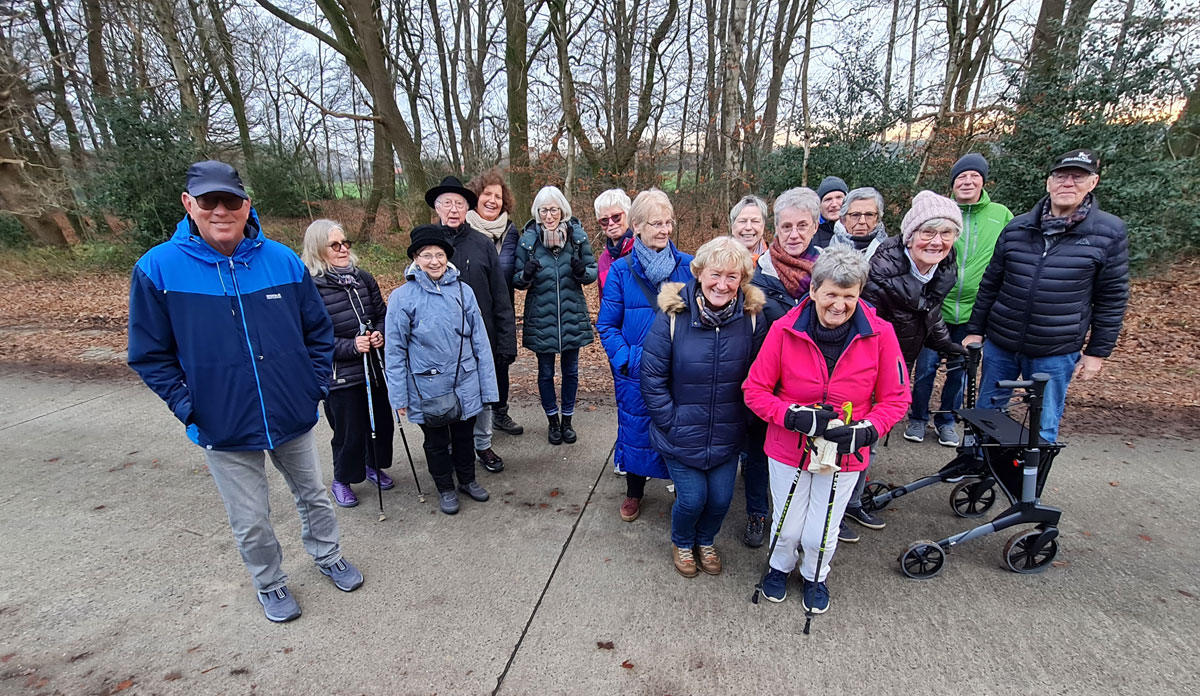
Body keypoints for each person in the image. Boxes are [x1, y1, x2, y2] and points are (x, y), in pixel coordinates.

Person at [128, 161, 362, 624]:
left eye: (230, 200)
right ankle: (270, 582)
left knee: (314, 495)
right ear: (189, 204)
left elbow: (318, 331)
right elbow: (149, 354)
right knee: (251, 518)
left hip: (291, 410)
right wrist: (189, 406)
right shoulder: (158, 268)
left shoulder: (281, 261)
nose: (220, 210)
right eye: (208, 200)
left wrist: (313, 386)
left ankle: (328, 555)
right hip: (222, 422)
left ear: (246, 205)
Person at [743, 246, 909, 612]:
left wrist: (868, 430)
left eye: (849, 296)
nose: (839, 304)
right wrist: (790, 415)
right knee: (788, 525)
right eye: (831, 294)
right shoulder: (784, 329)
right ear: (814, 290)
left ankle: (815, 574)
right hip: (789, 445)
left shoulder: (880, 334)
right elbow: (754, 390)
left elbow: (896, 398)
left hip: (845, 451)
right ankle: (778, 566)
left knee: (822, 528)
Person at [965, 149, 1130, 443]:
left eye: (1077, 177)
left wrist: (1096, 352)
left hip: (1056, 349)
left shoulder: (1108, 232)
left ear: (1093, 182)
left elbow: (1111, 298)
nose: (1068, 183)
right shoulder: (1017, 227)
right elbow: (991, 283)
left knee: (1043, 424)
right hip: (1002, 342)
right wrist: (975, 329)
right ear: (1049, 183)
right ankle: (981, 465)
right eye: (1061, 176)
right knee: (987, 414)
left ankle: (1032, 472)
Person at [843, 191, 966, 540]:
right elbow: (863, 325)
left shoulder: (942, 266)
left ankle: (853, 500)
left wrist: (948, 345)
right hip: (865, 365)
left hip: (900, 361)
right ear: (910, 235)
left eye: (946, 233)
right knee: (856, 436)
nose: (937, 241)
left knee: (872, 439)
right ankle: (836, 509)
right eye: (928, 232)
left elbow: (929, 312)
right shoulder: (881, 270)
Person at [641, 237, 767, 577]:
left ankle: (705, 540)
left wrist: (745, 420)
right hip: (680, 432)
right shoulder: (673, 316)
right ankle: (683, 542)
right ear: (699, 273)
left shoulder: (753, 320)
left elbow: (761, 377)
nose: (722, 285)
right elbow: (651, 378)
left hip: (728, 432)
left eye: (732, 276)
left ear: (742, 279)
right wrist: (671, 421)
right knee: (692, 499)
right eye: (715, 274)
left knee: (721, 499)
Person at [384, 224, 499, 515]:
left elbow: (480, 341)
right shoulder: (402, 298)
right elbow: (395, 351)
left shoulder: (464, 291)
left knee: (464, 436)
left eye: (439, 254)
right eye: (426, 255)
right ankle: (445, 487)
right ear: (415, 258)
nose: (434, 261)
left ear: (447, 257)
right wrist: (398, 396)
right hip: (427, 387)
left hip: (466, 381)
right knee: (436, 442)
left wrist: (488, 387)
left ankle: (467, 480)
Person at [597, 189, 694, 523]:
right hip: (636, 370)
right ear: (636, 226)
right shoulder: (620, 271)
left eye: (668, 222)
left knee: (677, 431)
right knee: (635, 430)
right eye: (656, 223)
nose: (665, 230)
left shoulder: (689, 267)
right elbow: (607, 325)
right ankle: (634, 491)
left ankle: (684, 490)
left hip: (680, 372)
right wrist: (627, 359)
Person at [907, 154, 1013, 446]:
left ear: (983, 181)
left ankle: (946, 421)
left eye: (973, 176)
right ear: (952, 183)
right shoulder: (940, 212)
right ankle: (917, 418)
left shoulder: (1000, 215)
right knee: (926, 368)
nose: (967, 182)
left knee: (960, 370)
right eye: (961, 177)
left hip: (975, 311)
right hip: (935, 307)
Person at [741, 187, 822, 548]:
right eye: (786, 226)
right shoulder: (757, 275)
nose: (794, 234)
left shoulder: (829, 272)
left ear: (815, 226)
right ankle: (758, 512)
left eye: (802, 225)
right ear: (775, 229)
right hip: (769, 382)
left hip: (815, 382)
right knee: (760, 450)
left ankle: (807, 520)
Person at [427, 176, 516, 473]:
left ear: (468, 207)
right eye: (447, 203)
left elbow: (500, 296)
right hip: (441, 340)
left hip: (482, 335)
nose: (453, 209)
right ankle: (454, 447)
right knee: (448, 396)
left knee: (483, 395)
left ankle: (483, 444)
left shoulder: (482, 244)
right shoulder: (428, 247)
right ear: (437, 208)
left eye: (459, 203)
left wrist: (506, 341)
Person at [302, 219, 394, 508]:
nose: (343, 249)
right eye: (334, 245)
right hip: (339, 374)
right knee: (349, 431)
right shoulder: (310, 288)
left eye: (345, 243)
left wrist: (380, 334)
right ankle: (342, 478)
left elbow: (381, 313)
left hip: (373, 367)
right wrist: (351, 346)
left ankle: (373, 465)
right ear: (318, 249)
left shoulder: (362, 278)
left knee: (381, 423)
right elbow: (309, 338)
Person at [513, 186, 598, 445]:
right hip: (542, 315)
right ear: (537, 212)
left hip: (572, 313)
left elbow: (592, 272)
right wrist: (526, 274)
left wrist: (582, 272)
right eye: (543, 210)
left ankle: (567, 421)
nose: (549, 216)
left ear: (562, 210)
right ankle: (552, 421)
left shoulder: (577, 237)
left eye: (553, 210)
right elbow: (517, 279)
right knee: (546, 373)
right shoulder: (528, 241)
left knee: (571, 372)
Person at [466, 170, 524, 436]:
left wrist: (527, 274)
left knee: (501, 363)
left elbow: (519, 272)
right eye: (486, 194)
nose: (492, 200)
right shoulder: (463, 230)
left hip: (502, 308)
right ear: (476, 197)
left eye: (498, 196)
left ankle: (500, 412)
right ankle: (472, 421)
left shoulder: (511, 232)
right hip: (470, 310)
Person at [595, 188, 635, 301]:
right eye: (604, 220)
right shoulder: (603, 260)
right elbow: (604, 301)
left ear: (627, 214)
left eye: (616, 217)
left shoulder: (642, 250)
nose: (611, 223)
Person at [830, 187, 888, 260]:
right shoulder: (826, 253)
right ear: (843, 219)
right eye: (855, 215)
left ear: (878, 219)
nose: (862, 221)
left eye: (869, 215)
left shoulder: (890, 252)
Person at [729, 195, 769, 262]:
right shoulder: (717, 261)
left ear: (763, 226)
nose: (748, 227)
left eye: (755, 221)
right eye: (742, 221)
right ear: (732, 227)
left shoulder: (774, 261)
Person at [813, 176, 848, 250]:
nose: (834, 204)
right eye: (828, 199)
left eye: (839, 197)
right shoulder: (811, 233)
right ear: (820, 205)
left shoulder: (858, 228)